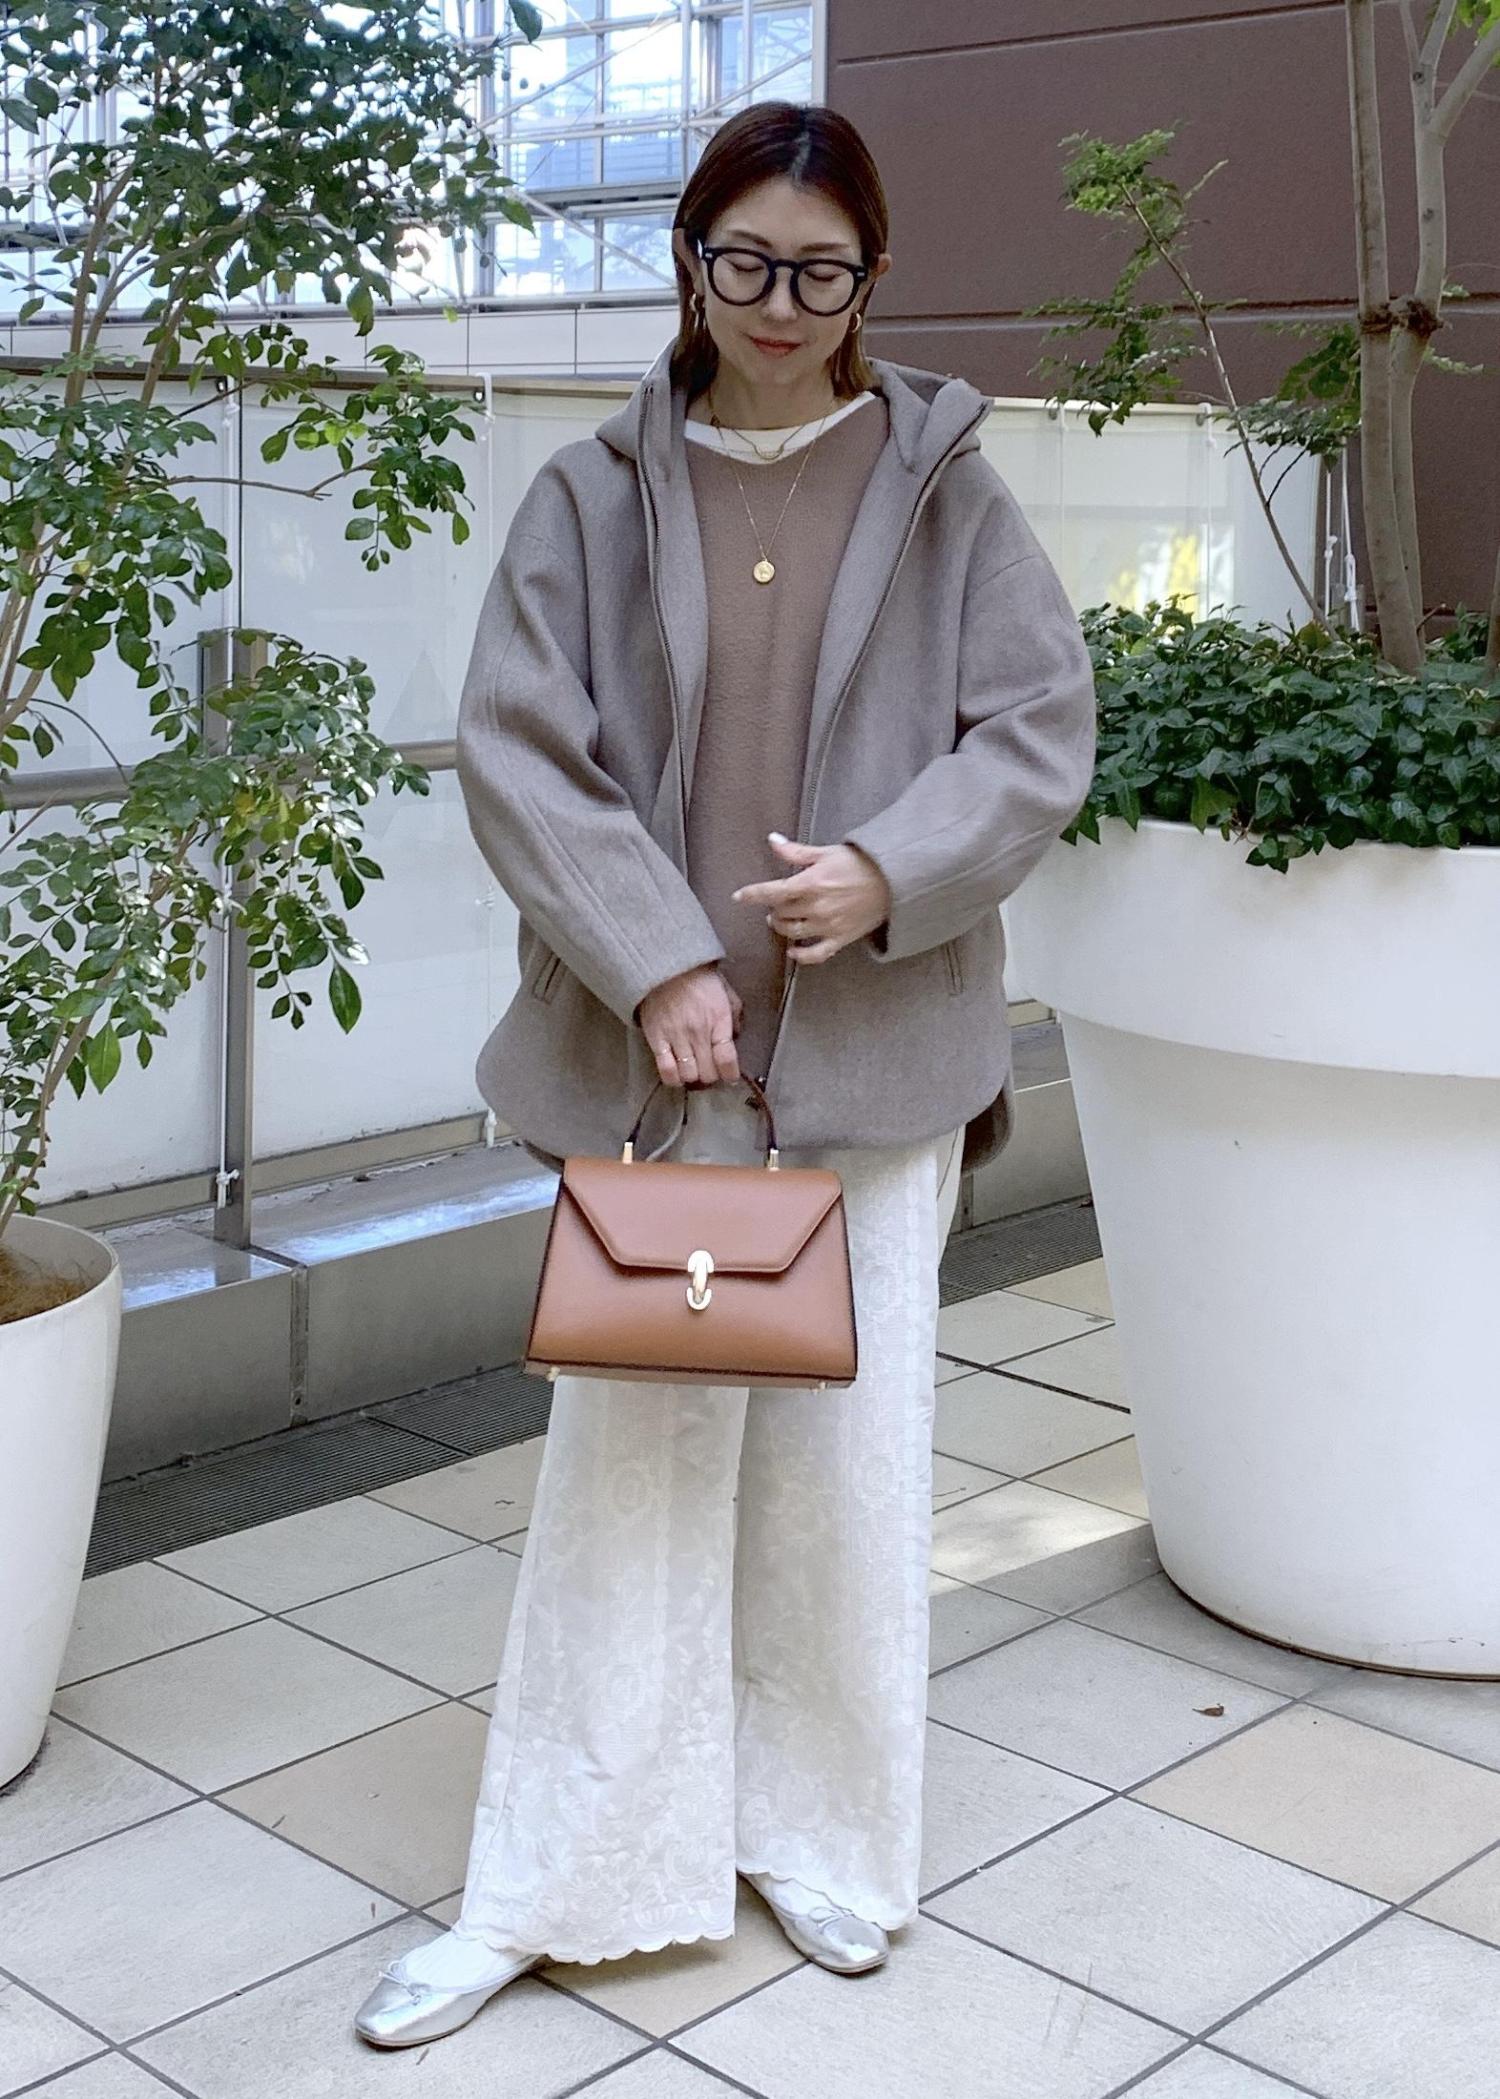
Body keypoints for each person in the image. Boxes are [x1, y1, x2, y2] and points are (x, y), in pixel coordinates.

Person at [354, 99, 1095, 2049]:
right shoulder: (594, 494)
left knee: (849, 1477)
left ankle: (825, 1842)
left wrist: (890, 871)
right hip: (660, 1069)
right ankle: (560, 1879)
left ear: (873, 277)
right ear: (689, 260)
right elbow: (519, 748)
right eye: (744, 258)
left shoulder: (949, 493)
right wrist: (658, 960)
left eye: (821, 269)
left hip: (877, 1061)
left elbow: (1037, 731)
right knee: (631, 1476)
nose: (779, 301)